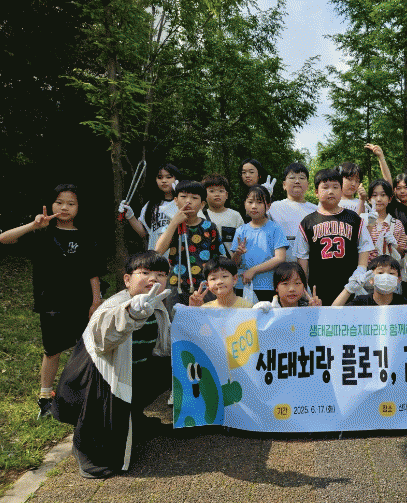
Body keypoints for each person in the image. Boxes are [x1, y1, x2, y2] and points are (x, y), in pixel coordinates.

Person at [51, 251, 173, 479]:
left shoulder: (157, 307)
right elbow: (105, 333)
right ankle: (87, 447)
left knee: (170, 367)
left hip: (133, 372)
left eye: (161, 274)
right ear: (127, 279)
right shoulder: (114, 306)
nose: (154, 279)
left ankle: (133, 417)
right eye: (145, 272)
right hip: (93, 381)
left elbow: (163, 346)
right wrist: (131, 314)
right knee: (107, 449)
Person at [0, 184, 104, 418]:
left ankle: (85, 395)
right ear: (51, 204)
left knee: (87, 349)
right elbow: (4, 239)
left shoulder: (86, 236)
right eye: (59, 202)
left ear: (79, 207)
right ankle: (45, 398)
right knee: (52, 351)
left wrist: (95, 301)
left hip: (82, 302)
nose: (64, 207)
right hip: (51, 303)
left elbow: (93, 272)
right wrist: (34, 225)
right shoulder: (42, 234)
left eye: (71, 203)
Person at [295, 168, 374, 306]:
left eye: (335, 187)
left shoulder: (354, 218)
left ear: (341, 190)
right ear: (316, 192)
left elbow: (365, 245)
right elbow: (302, 256)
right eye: (325, 187)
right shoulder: (307, 222)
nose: (331, 191)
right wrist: (304, 287)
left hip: (350, 286)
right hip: (318, 288)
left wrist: (361, 268)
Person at [155, 180, 221, 311]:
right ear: (175, 200)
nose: (188, 201)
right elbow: (158, 251)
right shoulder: (172, 226)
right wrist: (174, 223)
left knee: (205, 320)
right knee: (176, 320)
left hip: (204, 285)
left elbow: (218, 257)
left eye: (194, 198)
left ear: (202, 204)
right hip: (176, 284)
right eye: (183, 197)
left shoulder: (209, 227)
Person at [230, 185, 288, 303]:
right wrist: (238, 253)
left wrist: (253, 270)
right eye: (250, 202)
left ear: (268, 206)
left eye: (259, 202)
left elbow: (280, 258)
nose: (254, 206)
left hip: (268, 286)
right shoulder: (241, 230)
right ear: (245, 204)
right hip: (243, 285)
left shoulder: (275, 229)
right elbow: (234, 264)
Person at [119, 163, 180, 251]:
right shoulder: (151, 205)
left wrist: (181, 195)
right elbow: (143, 232)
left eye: (168, 177)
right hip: (156, 255)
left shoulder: (183, 203)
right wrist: (130, 216)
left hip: (178, 255)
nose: (164, 181)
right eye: (160, 177)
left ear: (176, 179)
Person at [267, 162, 317, 261]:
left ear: (308, 185)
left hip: (308, 264)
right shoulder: (273, 207)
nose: (297, 181)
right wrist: (263, 195)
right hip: (280, 264)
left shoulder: (316, 210)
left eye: (302, 178)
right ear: (284, 185)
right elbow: (257, 222)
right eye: (292, 178)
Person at [333, 255, 407, 306]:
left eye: (391, 273)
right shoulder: (360, 302)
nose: (385, 277)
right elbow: (333, 314)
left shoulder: (403, 303)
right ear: (371, 279)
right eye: (380, 273)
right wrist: (348, 290)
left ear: (399, 279)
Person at [201, 173, 243, 257]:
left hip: (230, 262)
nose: (217, 194)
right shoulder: (199, 216)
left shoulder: (235, 216)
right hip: (206, 262)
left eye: (221, 191)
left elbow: (242, 242)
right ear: (204, 195)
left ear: (226, 195)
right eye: (212, 191)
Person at [366, 179, 407, 263]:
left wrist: (394, 245)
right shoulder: (364, 222)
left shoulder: (397, 224)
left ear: (390, 199)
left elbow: (403, 253)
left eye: (383, 195)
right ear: (369, 199)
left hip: (390, 269)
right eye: (374, 195)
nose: (378, 199)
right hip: (369, 269)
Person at [253, 262, 322, 310]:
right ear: (276, 287)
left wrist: (316, 311)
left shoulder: (308, 308)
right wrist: (258, 310)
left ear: (304, 286)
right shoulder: (267, 309)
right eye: (285, 283)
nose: (292, 289)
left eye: (297, 283)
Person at [188, 257, 253, 309]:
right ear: (207, 284)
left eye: (224, 276)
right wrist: (194, 309)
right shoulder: (206, 308)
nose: (219, 282)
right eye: (213, 278)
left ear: (234, 279)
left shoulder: (248, 307)